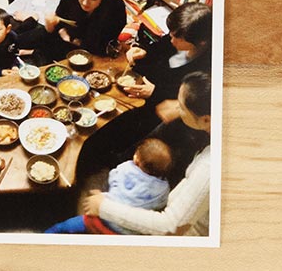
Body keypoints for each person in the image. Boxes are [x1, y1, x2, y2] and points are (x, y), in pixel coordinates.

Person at [76, 2, 212, 173]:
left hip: (163, 109)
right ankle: (98, 149)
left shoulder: (206, 67)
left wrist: (154, 92)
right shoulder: (177, 36)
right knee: (106, 109)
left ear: (200, 42)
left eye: (177, 38)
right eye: (171, 33)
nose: (171, 39)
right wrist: (142, 51)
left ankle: (118, 161)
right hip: (143, 88)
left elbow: (184, 96)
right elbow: (158, 48)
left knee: (126, 126)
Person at [83, 71, 212, 236]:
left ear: (206, 119)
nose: (176, 107)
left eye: (180, 105)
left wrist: (103, 207)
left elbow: (170, 226)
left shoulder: (209, 168)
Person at [45, 138, 172, 234]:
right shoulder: (164, 190)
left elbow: (113, 178)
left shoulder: (126, 168)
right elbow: (159, 205)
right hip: (125, 233)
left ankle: (42, 238)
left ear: (136, 159)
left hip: (100, 220)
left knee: (64, 227)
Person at [17, 0, 126, 63]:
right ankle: (34, 48)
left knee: (50, 60)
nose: (85, 2)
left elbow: (103, 46)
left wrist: (72, 40)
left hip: (90, 48)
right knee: (17, 41)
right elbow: (58, 25)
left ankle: (35, 52)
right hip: (66, 37)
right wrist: (51, 24)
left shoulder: (116, 9)